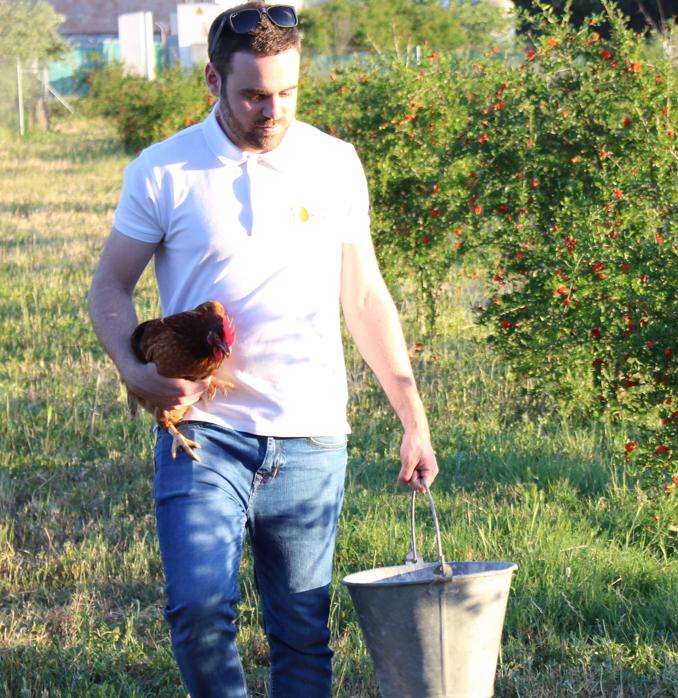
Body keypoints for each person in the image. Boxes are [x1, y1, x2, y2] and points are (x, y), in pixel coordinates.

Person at [86, 3, 439, 695]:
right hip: (204, 433)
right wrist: (133, 371)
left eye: (286, 92)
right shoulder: (164, 171)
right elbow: (109, 286)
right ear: (214, 78)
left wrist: (412, 415)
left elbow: (364, 297)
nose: (271, 110)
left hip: (311, 437)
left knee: (302, 632)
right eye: (252, 94)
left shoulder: (333, 163)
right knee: (197, 610)